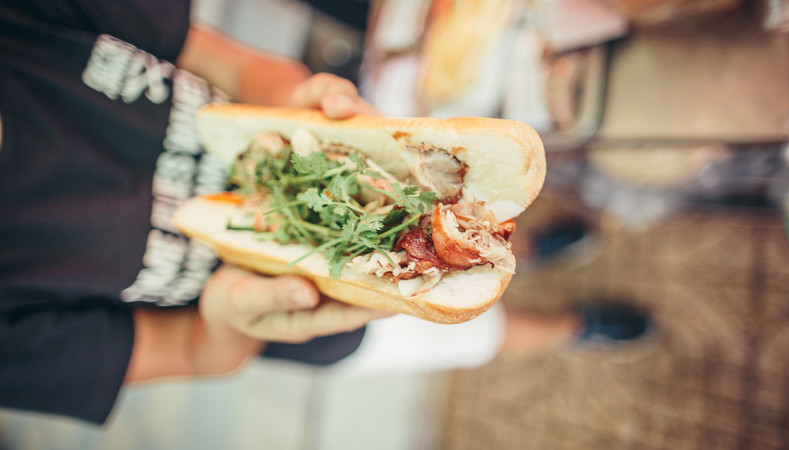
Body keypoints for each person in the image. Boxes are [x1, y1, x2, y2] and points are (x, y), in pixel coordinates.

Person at [0, 0, 652, 426]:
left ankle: (532, 251)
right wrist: (228, 318)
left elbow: (240, 69)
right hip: (304, 317)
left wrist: (305, 94)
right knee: (470, 334)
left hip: (346, 158)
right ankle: (575, 327)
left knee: (472, 228)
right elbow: (195, 354)